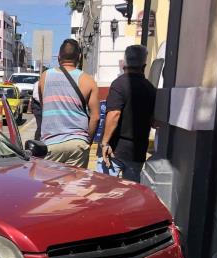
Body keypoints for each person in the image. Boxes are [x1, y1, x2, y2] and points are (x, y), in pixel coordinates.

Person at [38, 40, 99, 168]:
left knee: (51, 186)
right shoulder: (88, 81)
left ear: (59, 57)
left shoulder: (44, 77)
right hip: (77, 143)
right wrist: (88, 140)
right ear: (80, 57)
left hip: (51, 143)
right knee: (74, 187)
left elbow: (44, 107)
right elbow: (95, 117)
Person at [101, 45, 156, 182]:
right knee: (130, 195)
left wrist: (105, 143)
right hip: (137, 151)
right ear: (144, 64)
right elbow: (155, 121)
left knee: (104, 191)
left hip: (115, 150)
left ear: (124, 63)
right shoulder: (150, 88)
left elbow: (114, 114)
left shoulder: (118, 85)